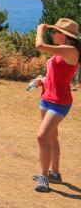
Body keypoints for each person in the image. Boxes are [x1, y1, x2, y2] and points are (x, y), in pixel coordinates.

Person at [32, 19, 80, 192]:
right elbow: (55, 75)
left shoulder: (70, 50)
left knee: (42, 137)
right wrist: (42, 80)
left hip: (60, 102)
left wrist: (39, 30)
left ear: (64, 35)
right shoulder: (60, 52)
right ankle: (55, 173)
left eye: (54, 32)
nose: (52, 34)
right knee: (52, 137)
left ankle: (44, 177)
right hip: (46, 98)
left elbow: (40, 46)